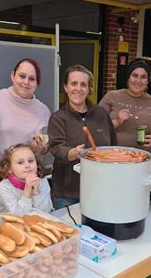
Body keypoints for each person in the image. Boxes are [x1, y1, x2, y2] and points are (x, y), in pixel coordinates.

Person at [0, 58, 51, 214]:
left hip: (30, 186)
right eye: (22, 76)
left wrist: (41, 148)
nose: (26, 82)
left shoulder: (43, 110)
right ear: (12, 76)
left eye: (32, 79)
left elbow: (46, 147)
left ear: (37, 83)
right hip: (0, 184)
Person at [48, 65, 117, 210]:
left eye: (83, 84)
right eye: (73, 83)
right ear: (65, 87)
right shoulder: (58, 118)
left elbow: (113, 146)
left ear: (89, 89)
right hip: (67, 193)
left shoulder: (101, 114)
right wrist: (72, 153)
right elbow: (56, 148)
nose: (78, 88)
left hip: (99, 189)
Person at [99, 57, 151, 167]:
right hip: (112, 160)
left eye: (143, 77)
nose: (138, 81)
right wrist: (116, 121)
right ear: (128, 77)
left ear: (148, 80)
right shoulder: (111, 96)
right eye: (135, 75)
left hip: (142, 163)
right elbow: (95, 127)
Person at [0, 143, 52, 216]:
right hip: (13, 224)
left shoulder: (42, 180)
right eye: (20, 162)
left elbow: (46, 211)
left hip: (37, 222)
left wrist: (36, 191)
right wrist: (27, 190)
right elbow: (18, 215)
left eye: (31, 161)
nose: (27, 165)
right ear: (9, 168)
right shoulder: (4, 186)